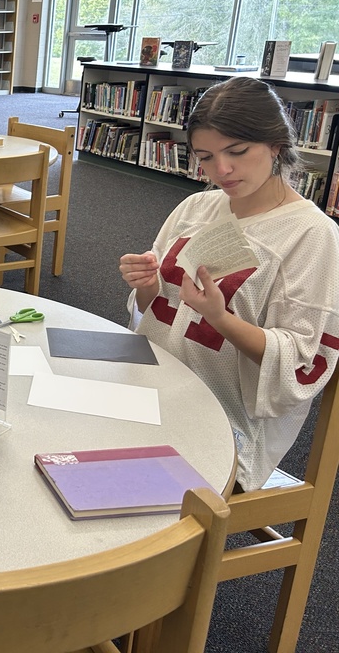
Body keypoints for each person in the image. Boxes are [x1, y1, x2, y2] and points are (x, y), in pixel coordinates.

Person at [119, 76, 339, 491]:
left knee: (107, 488)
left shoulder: (312, 235)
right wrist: (146, 282)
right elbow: (158, 310)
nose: (221, 170)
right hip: (153, 384)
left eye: (238, 152)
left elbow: (302, 363)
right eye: (205, 157)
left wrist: (220, 318)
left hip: (226, 419)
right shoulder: (196, 207)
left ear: (276, 144)